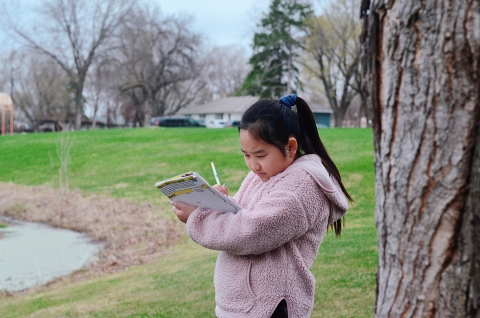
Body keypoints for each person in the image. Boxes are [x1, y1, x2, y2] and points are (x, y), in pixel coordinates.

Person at [172, 94, 353, 318]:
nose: (253, 164)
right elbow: (244, 212)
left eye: (260, 154)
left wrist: (198, 219)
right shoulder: (266, 173)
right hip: (247, 307)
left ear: (291, 146)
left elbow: (252, 231)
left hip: (271, 308)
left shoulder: (300, 187)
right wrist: (215, 203)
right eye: (246, 155)